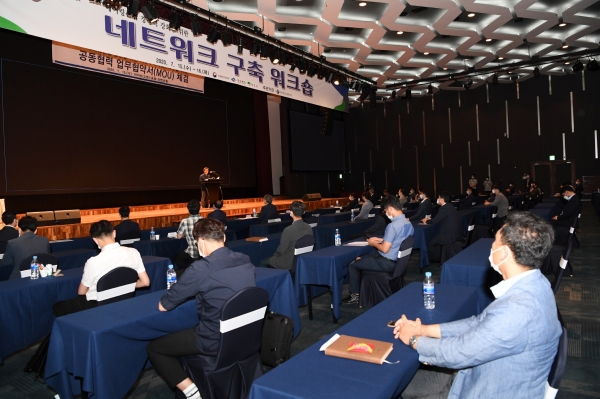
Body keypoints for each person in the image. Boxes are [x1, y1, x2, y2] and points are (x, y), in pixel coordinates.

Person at [393, 212, 561, 399]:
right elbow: (479, 322)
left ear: (504, 253)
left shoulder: (517, 309)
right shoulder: (537, 283)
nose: (491, 246)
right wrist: (425, 329)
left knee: (401, 385)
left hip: (489, 389)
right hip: (487, 373)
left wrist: (413, 340)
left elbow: (458, 353)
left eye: (495, 242)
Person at [147, 219, 255, 399]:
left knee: (154, 348)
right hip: (244, 333)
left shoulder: (200, 268)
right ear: (224, 237)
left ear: (201, 241)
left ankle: (192, 392)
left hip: (213, 338)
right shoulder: (245, 259)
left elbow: (164, 305)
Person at [53, 220, 150, 316]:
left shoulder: (93, 262)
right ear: (114, 233)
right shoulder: (133, 252)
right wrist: (123, 286)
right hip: (123, 301)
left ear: (95, 240)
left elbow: (81, 292)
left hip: (97, 305)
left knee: (58, 307)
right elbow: (145, 282)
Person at [342, 196, 414, 305]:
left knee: (352, 265)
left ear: (389, 208)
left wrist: (373, 243)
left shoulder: (392, 226)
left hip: (386, 262)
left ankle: (355, 294)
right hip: (397, 262)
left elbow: (385, 250)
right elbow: (400, 240)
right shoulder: (408, 223)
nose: (385, 213)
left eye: (385, 210)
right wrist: (383, 239)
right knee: (364, 257)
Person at [259, 201, 313, 270]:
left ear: (291, 213)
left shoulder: (288, 230)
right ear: (304, 212)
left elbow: (281, 251)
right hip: (302, 260)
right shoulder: (309, 227)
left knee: (262, 262)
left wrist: (274, 257)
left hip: (287, 263)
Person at [2, 216, 51, 280]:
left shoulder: (12, 243)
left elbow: (5, 262)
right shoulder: (45, 240)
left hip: (19, 279)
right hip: (41, 276)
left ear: (19, 229)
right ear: (36, 230)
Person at [422, 192, 462, 263]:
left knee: (430, 243)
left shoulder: (443, 209)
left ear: (442, 199)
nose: (438, 199)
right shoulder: (450, 206)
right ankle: (439, 256)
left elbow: (434, 221)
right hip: (455, 233)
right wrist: (431, 219)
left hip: (447, 235)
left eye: (439, 198)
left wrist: (426, 221)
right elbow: (440, 218)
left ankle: (436, 258)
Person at [174, 199, 203, 270]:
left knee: (177, 259)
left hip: (191, 253)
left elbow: (179, 236)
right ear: (199, 209)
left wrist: (186, 233)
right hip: (202, 253)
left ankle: (190, 269)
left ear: (188, 209)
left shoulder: (185, 221)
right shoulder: (204, 220)